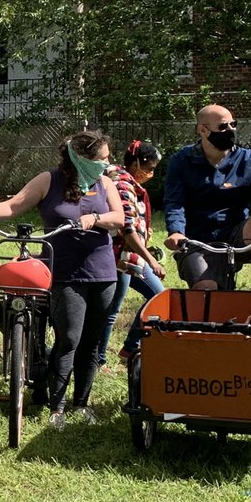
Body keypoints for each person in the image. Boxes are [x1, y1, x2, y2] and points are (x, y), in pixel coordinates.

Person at [0, 130, 122, 430]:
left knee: (91, 342)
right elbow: (14, 204)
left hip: (103, 273)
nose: (106, 163)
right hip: (64, 274)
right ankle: (57, 407)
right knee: (69, 339)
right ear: (81, 158)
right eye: (102, 158)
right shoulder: (49, 180)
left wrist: (96, 220)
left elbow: (120, 218)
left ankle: (81, 404)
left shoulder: (105, 184)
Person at [164, 104, 251, 290]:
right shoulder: (180, 161)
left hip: (236, 236)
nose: (230, 130)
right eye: (223, 127)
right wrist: (176, 231)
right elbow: (175, 202)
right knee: (207, 292)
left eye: (233, 124)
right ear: (203, 130)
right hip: (196, 240)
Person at [97, 140, 166, 367]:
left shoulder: (129, 183)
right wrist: (151, 259)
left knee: (115, 308)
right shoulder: (123, 185)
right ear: (136, 163)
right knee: (157, 298)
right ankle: (101, 359)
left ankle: (128, 349)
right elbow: (127, 229)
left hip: (128, 257)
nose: (151, 173)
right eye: (149, 168)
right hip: (120, 257)